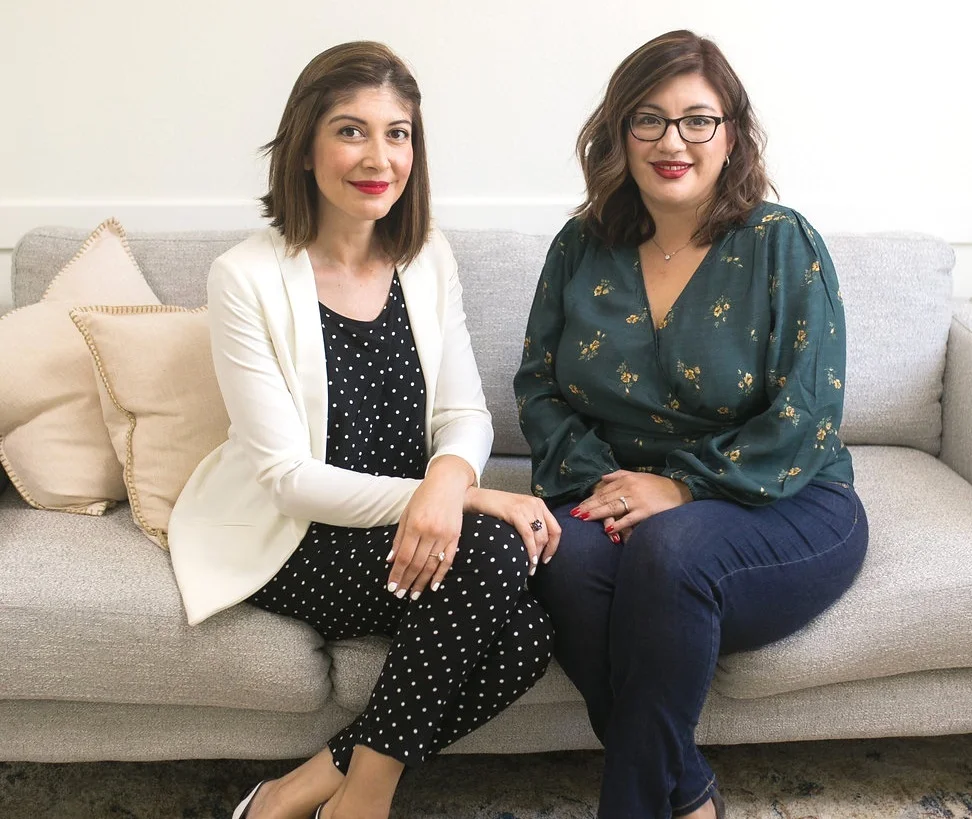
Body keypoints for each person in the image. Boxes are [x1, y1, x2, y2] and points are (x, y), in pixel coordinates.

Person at [168, 42, 559, 819]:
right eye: (351, 130)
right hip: (293, 532)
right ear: (304, 148)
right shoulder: (245, 277)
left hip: (412, 522)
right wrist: (453, 498)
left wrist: (446, 485)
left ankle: (301, 789)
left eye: (398, 133)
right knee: (494, 550)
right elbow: (287, 479)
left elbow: (464, 414)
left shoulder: (427, 255)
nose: (380, 157)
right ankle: (366, 802)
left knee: (528, 635)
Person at [514, 29, 869, 819]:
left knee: (670, 551)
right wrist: (610, 486)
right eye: (649, 119)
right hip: (614, 492)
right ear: (619, 134)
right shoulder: (579, 246)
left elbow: (808, 412)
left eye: (697, 120)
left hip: (782, 498)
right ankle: (690, 794)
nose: (672, 142)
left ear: (730, 135)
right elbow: (538, 384)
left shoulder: (783, 242)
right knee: (559, 560)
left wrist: (679, 488)